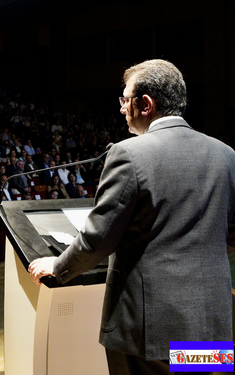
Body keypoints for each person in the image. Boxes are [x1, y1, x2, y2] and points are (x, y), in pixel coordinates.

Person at [29, 59, 235, 374]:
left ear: (146, 104)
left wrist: (58, 266)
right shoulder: (226, 155)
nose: (123, 107)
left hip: (150, 331)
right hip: (210, 325)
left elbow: (98, 238)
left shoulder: (129, 154)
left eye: (126, 99)